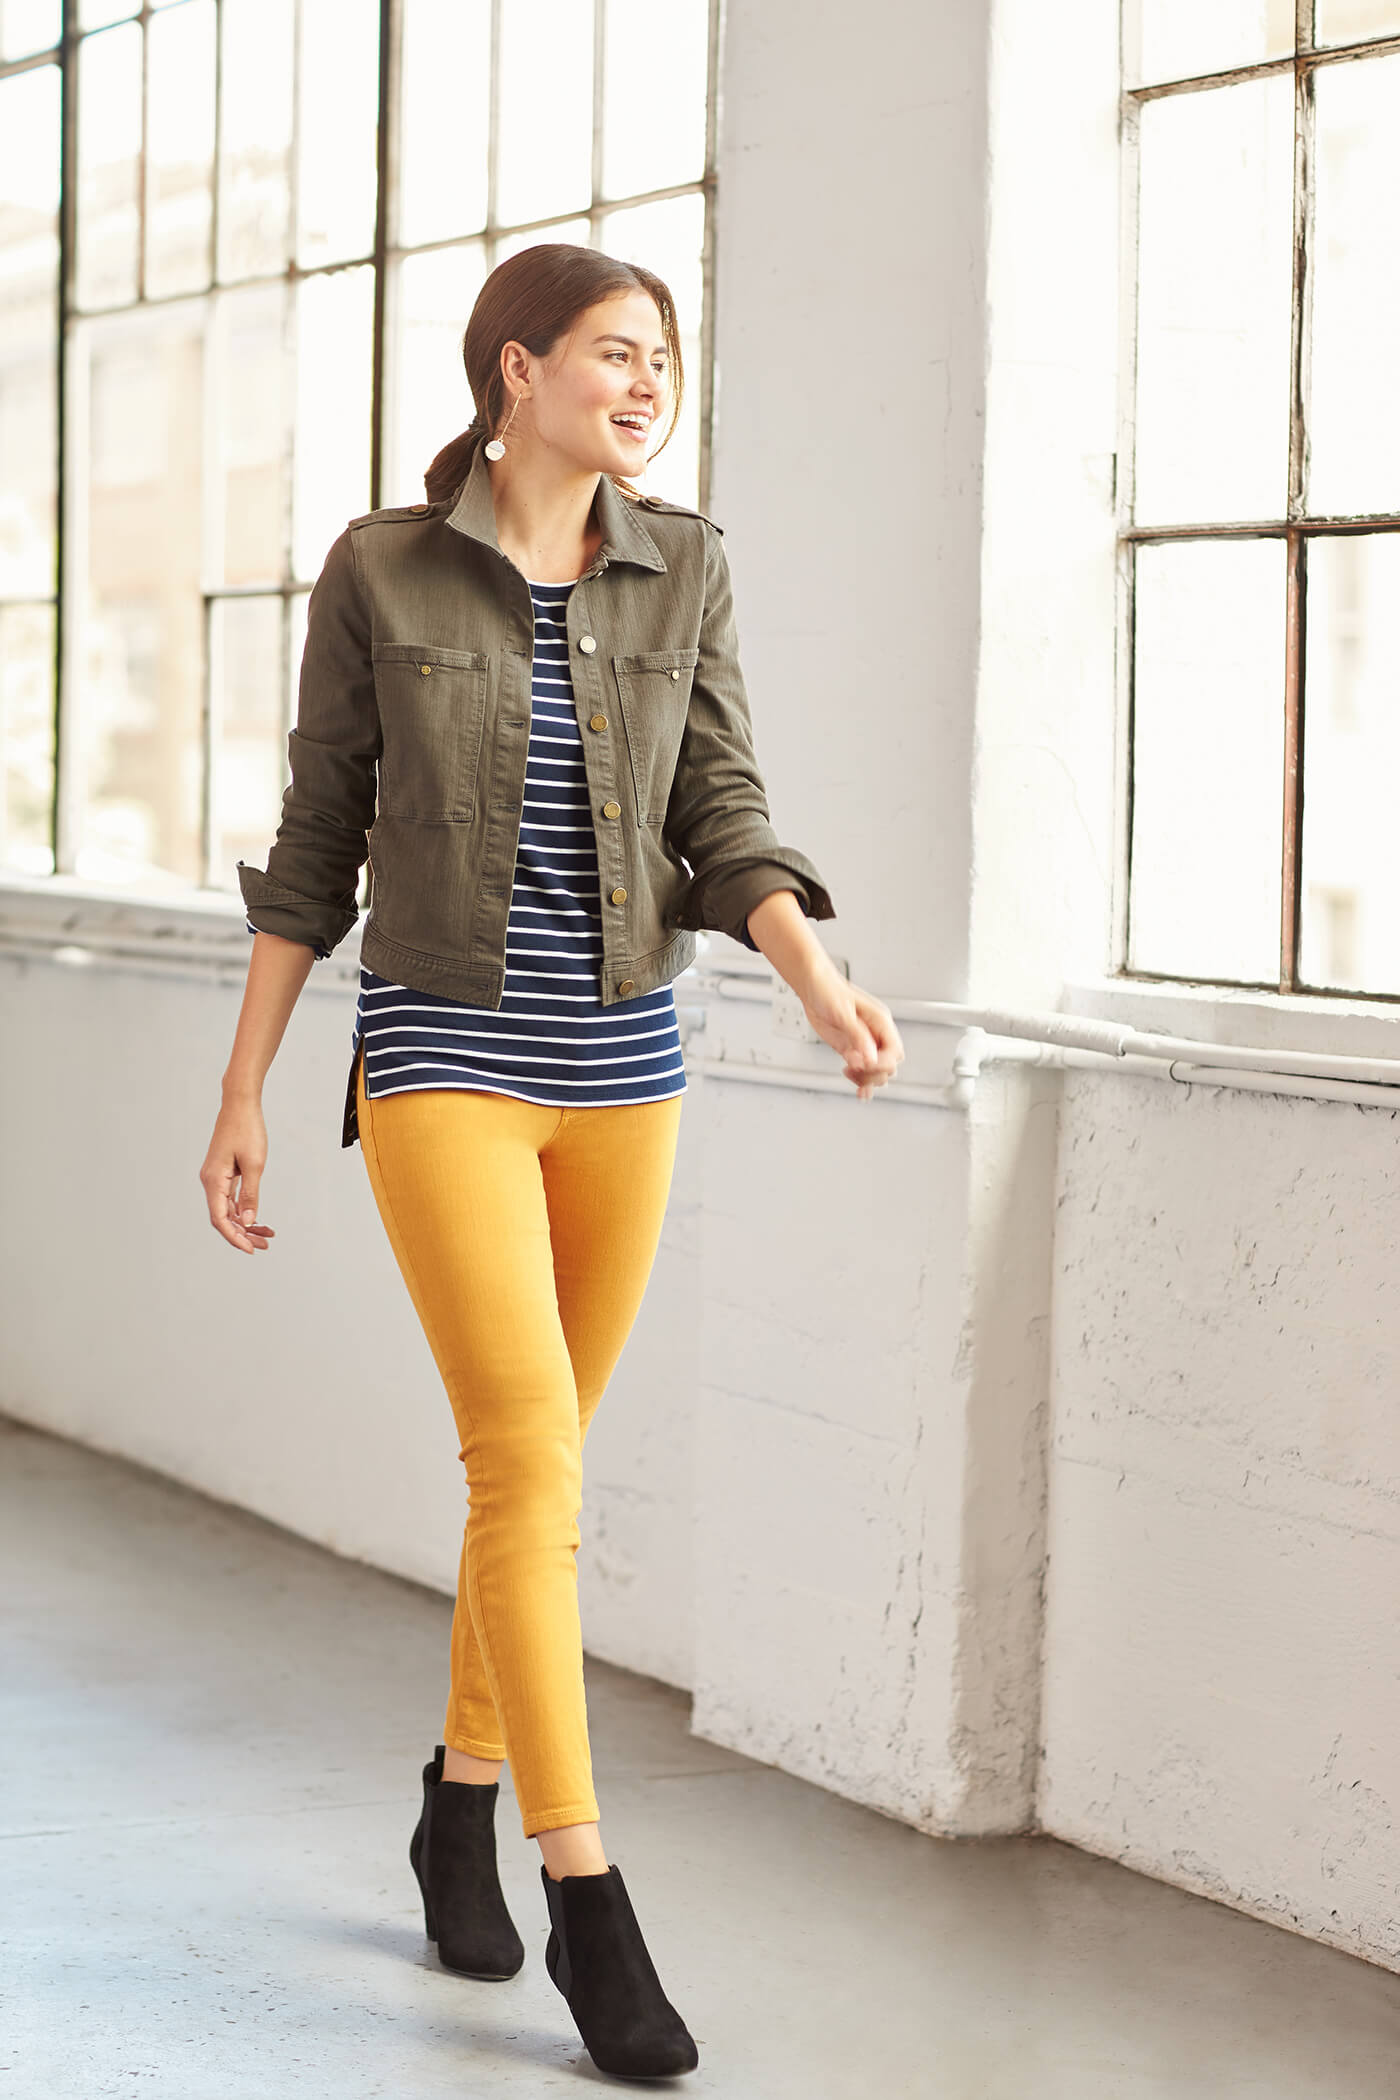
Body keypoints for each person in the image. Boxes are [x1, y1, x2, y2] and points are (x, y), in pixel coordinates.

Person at [199, 242, 903, 2082]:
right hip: (443, 1057)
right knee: (523, 1453)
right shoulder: (381, 571)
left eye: (662, 357)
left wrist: (815, 971)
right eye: (614, 351)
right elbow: (315, 839)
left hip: (626, 1067)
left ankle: (457, 1791)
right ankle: (587, 1893)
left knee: (542, 1479)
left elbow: (719, 804)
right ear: (516, 373)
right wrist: (248, 1086)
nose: (648, 382)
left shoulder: (690, 569)